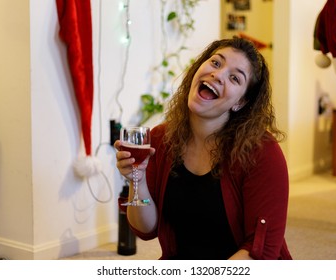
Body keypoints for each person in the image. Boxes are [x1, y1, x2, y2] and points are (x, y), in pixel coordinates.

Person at [115, 36, 292, 260]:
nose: (217, 75)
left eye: (235, 78)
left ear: (240, 102)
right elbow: (146, 228)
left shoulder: (262, 153)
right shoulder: (161, 138)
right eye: (216, 63)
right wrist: (136, 180)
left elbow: (261, 251)